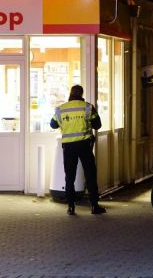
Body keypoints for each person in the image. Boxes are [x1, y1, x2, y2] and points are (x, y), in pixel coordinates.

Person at [50, 85, 105, 215]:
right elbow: (98, 125)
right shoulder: (87, 107)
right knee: (90, 175)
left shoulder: (61, 109)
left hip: (69, 147)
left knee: (70, 177)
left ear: (70, 93)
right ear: (81, 93)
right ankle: (94, 206)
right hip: (84, 146)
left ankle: (70, 207)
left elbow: (53, 124)